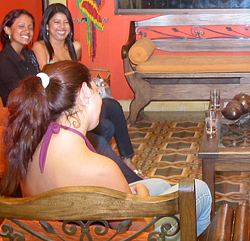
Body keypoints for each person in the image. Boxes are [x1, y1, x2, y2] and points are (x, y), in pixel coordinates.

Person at [0, 61, 211, 235]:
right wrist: (143, 195)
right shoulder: (99, 168)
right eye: (95, 88)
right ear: (84, 92)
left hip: (63, 232)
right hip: (114, 236)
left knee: (161, 184)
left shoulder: (26, 149)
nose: (100, 96)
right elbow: (141, 232)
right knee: (199, 190)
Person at [32, 3, 146, 181]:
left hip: (79, 103)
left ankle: (128, 160)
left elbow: (79, 78)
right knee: (106, 127)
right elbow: (47, 82)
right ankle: (129, 181)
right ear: (47, 25)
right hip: (62, 107)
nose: (62, 27)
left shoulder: (74, 46)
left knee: (114, 107)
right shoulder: (41, 48)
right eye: (56, 22)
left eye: (66, 22)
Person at [0, 9, 39, 106]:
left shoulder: (30, 54)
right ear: (7, 30)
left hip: (35, 108)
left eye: (30, 28)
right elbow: (18, 94)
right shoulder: (4, 60)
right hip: (17, 114)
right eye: (21, 26)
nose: (27, 31)